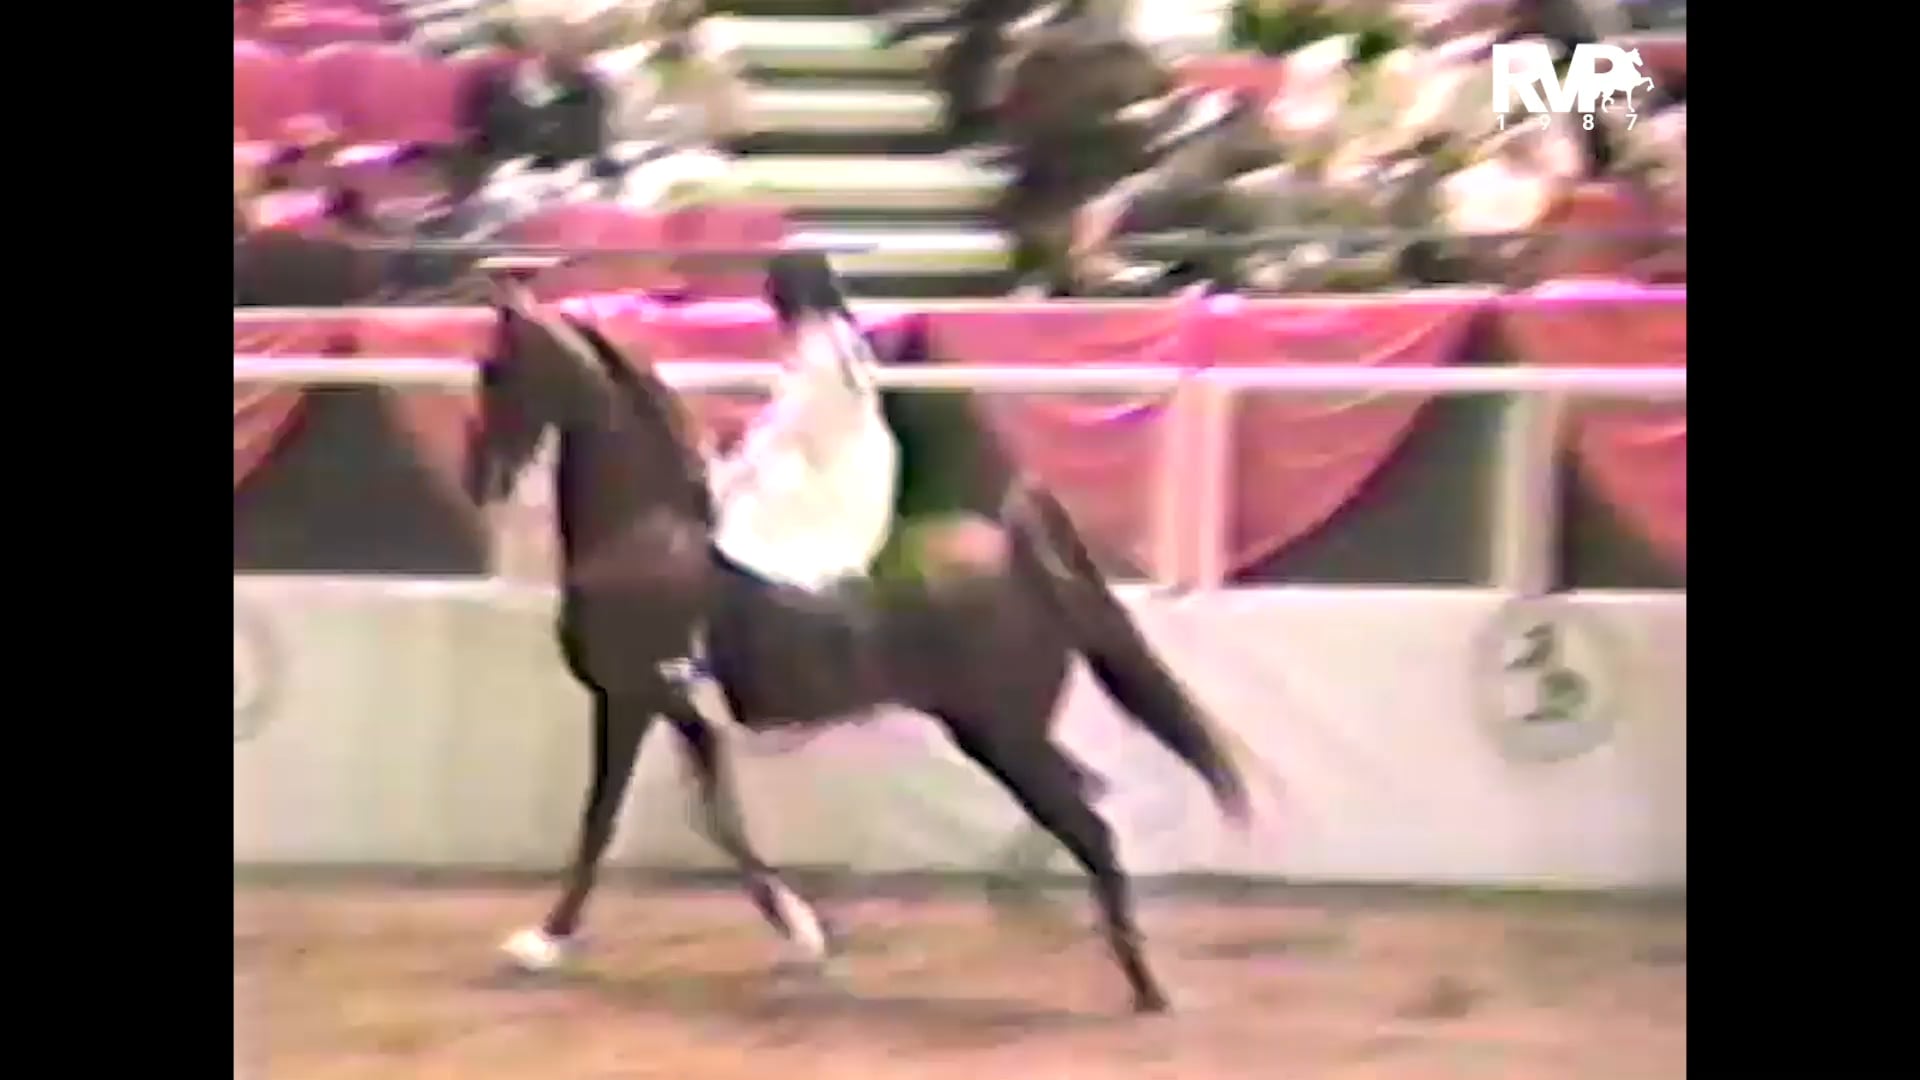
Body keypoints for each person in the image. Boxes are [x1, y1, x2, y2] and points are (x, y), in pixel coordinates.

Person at [706, 252, 901, 595]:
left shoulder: (823, 347)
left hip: (826, 475)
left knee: (737, 504)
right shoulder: (832, 338)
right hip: (834, 459)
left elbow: (808, 421)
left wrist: (740, 455)